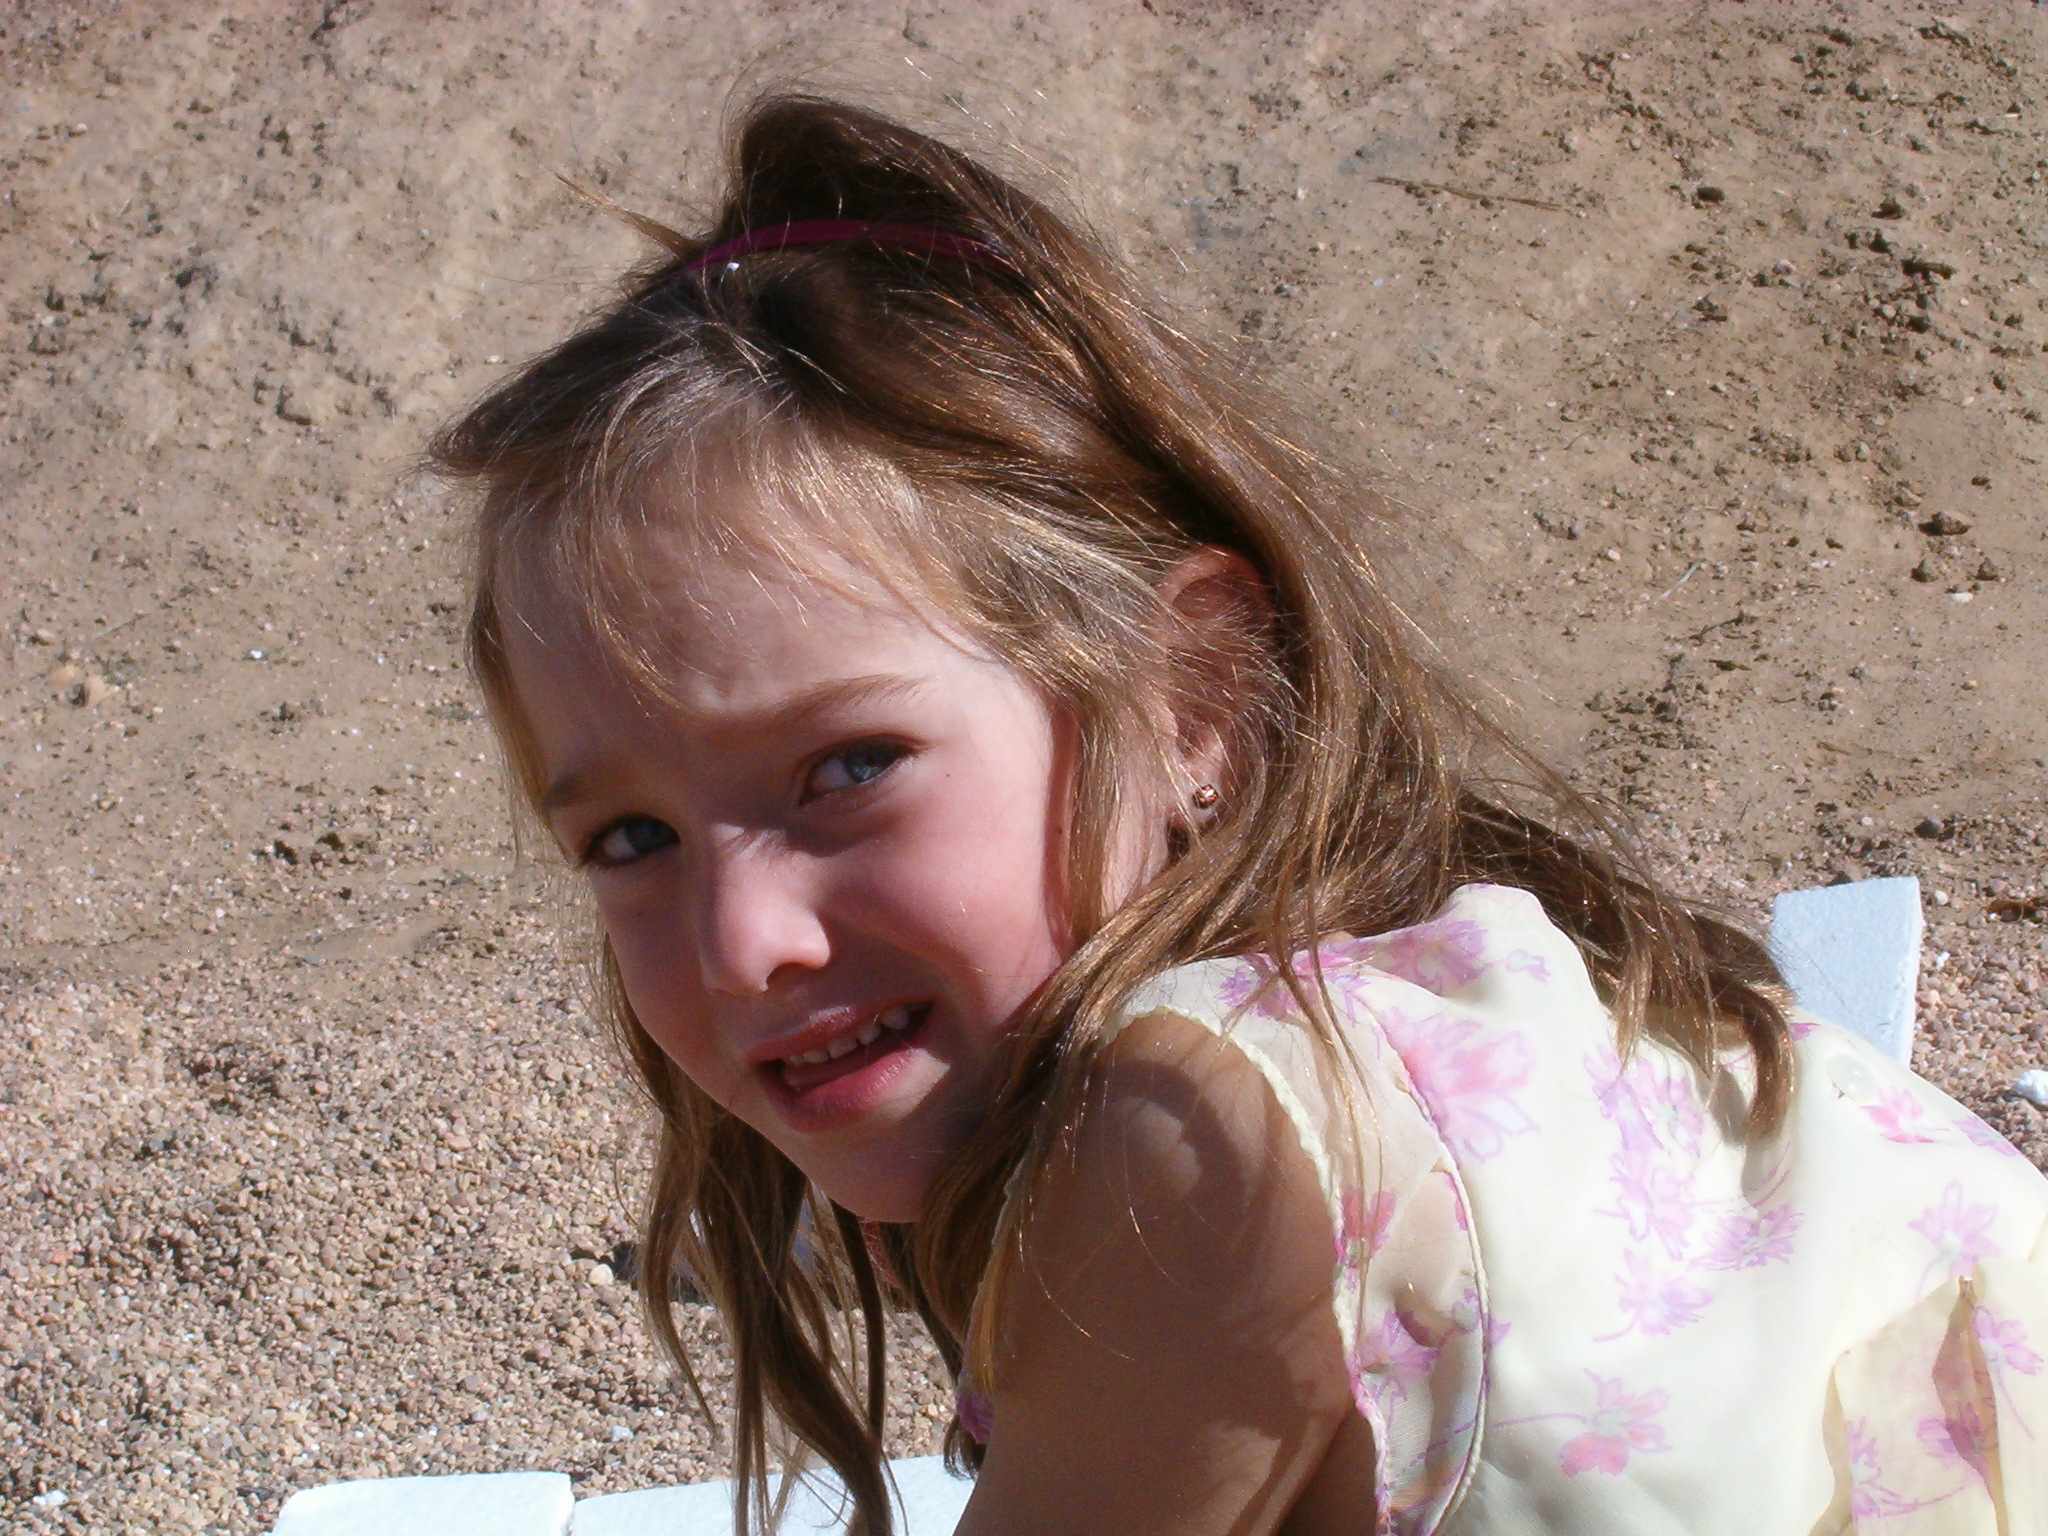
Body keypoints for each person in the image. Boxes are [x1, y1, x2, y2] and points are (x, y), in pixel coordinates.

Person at [428, 94, 2048, 1535]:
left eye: (849, 768)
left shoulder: (1209, 1128)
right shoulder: (1470, 1001)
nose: (742, 943)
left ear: (1192, 697)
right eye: (630, 841)